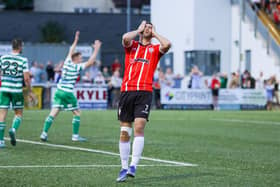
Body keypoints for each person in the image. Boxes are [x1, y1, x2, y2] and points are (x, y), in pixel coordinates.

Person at [116, 20, 171, 182]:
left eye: (150, 27)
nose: (147, 29)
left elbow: (167, 44)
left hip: (144, 92)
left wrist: (154, 33)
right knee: (125, 131)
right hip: (127, 91)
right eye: (146, 27)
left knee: (139, 127)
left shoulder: (155, 49)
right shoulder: (132, 46)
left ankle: (133, 165)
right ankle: (124, 167)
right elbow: (125, 37)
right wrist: (138, 30)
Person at [39, 31, 102, 142]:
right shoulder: (77, 67)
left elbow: (71, 49)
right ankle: (75, 136)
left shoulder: (67, 61)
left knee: (54, 112)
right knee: (77, 113)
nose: (81, 59)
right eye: (80, 57)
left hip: (59, 91)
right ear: (76, 58)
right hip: (67, 92)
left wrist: (76, 40)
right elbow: (91, 61)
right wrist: (96, 48)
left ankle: (44, 133)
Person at [0, 38, 34, 148]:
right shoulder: (23, 60)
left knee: (2, 115)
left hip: (4, 89)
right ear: (19, 47)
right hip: (16, 90)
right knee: (18, 113)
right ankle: (13, 129)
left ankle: (0, 141)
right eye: (22, 46)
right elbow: (27, 79)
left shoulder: (3, 58)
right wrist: (29, 91)